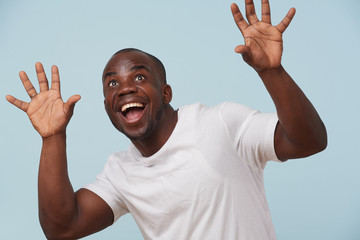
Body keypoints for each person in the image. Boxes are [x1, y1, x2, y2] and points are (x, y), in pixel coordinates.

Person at [6, 0, 327, 239]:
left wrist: (272, 72)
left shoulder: (222, 123)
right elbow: (61, 227)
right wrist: (52, 138)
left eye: (139, 77)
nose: (125, 87)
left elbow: (308, 141)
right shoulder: (120, 172)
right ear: (107, 106)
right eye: (112, 83)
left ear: (167, 92)